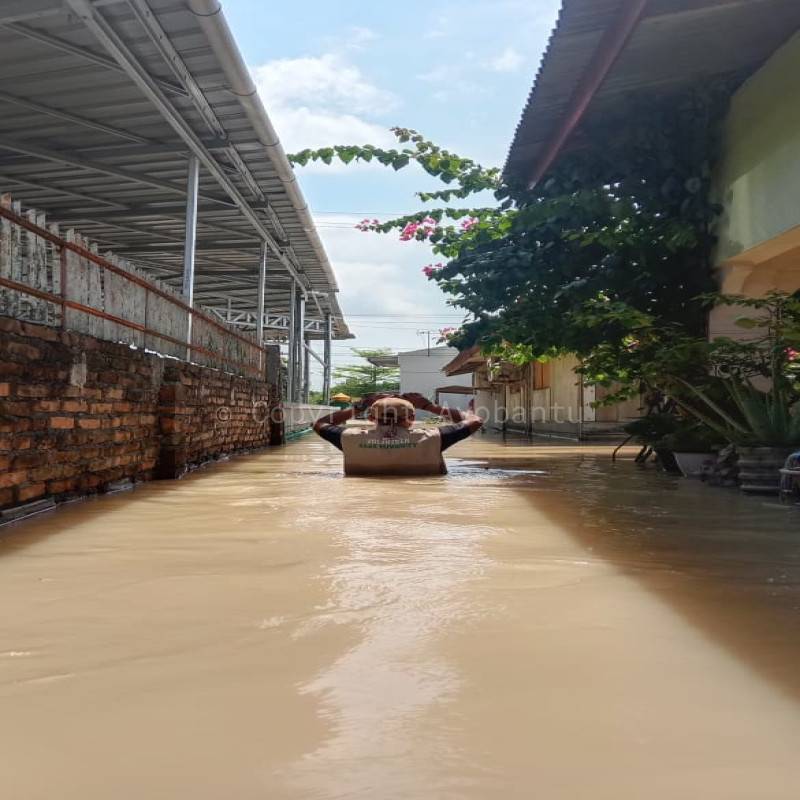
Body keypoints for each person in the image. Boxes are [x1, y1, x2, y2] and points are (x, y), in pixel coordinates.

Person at [312, 392, 483, 476]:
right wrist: (430, 406)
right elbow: (475, 420)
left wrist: (359, 407)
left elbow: (318, 424)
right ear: (413, 417)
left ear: (371, 418)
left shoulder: (349, 438)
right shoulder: (434, 437)